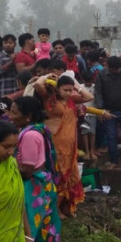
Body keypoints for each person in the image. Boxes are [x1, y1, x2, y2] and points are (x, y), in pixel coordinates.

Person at [9, 96, 63, 242]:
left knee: (31, 236)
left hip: (34, 190)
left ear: (27, 115)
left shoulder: (30, 135)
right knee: (44, 236)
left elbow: (27, 168)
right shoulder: (38, 129)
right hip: (42, 188)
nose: (10, 116)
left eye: (14, 112)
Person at [34, 74, 91, 218]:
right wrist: (46, 76)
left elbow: (89, 97)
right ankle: (55, 208)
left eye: (69, 90)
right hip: (54, 143)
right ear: (57, 89)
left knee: (70, 175)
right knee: (57, 175)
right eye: (65, 90)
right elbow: (38, 85)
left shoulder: (72, 99)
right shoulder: (48, 98)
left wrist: (76, 87)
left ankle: (66, 207)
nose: (67, 93)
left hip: (70, 145)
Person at [95, 56, 121, 169]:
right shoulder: (101, 74)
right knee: (111, 136)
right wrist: (101, 108)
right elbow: (98, 92)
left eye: (118, 68)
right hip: (109, 110)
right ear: (109, 67)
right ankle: (114, 160)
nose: (117, 71)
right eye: (114, 69)